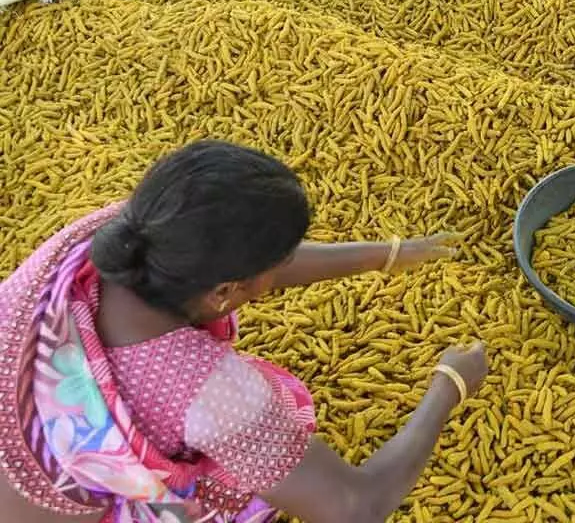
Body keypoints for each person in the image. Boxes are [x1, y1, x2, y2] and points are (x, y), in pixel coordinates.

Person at [0, 141, 488, 523]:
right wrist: (449, 385)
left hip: (17, 427)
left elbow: (238, 258)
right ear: (224, 291)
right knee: (242, 476)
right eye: (276, 263)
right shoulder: (205, 390)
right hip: (53, 506)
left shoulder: (117, 233)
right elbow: (355, 505)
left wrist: (387, 254)